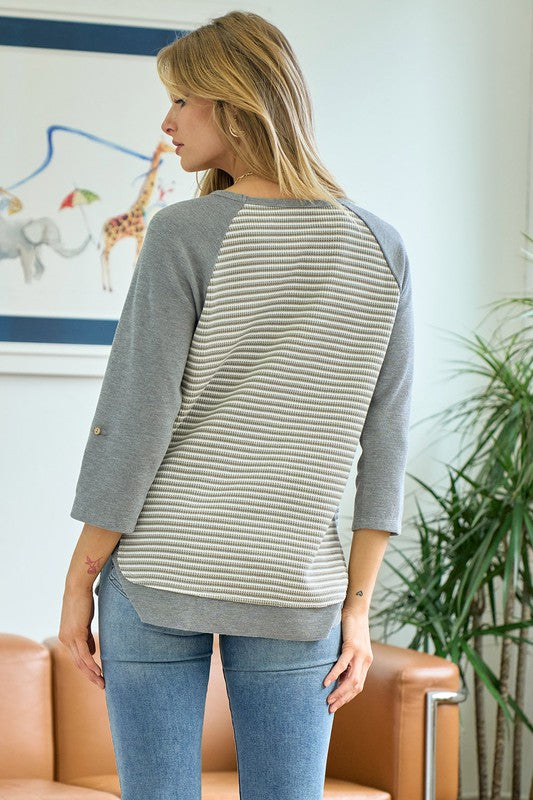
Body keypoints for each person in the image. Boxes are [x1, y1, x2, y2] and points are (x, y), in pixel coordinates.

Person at [59, 10, 414, 800]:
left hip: (156, 574)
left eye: (181, 100)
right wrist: (357, 611)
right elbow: (385, 440)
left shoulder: (184, 232)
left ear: (233, 100)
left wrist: (79, 578)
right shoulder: (380, 247)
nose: (167, 122)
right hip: (298, 587)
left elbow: (135, 422)